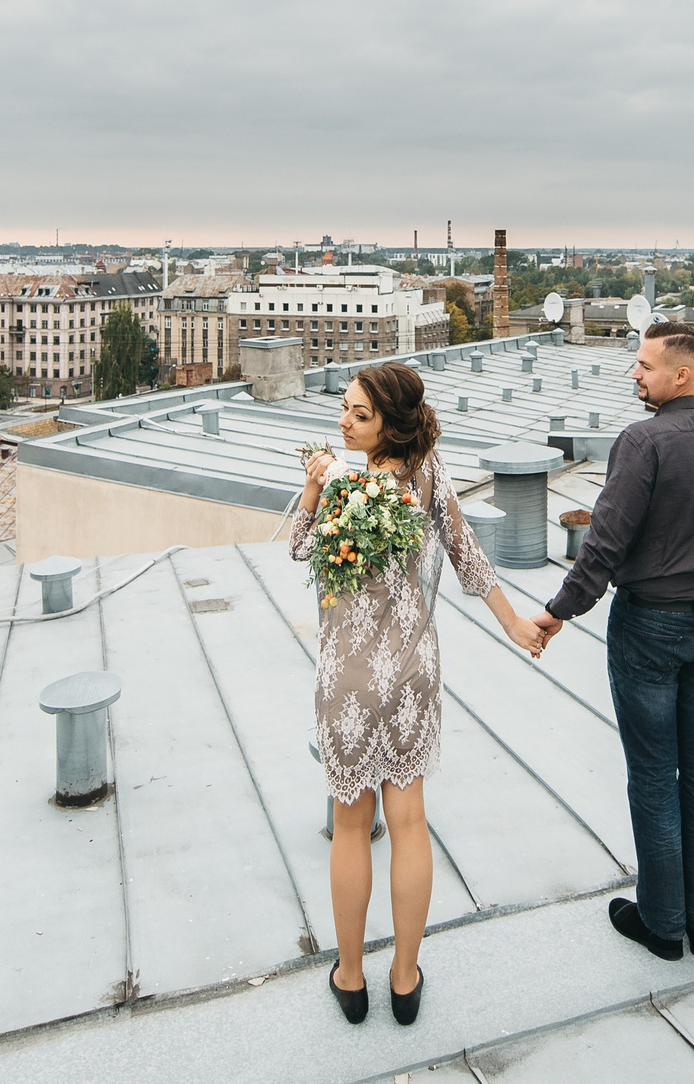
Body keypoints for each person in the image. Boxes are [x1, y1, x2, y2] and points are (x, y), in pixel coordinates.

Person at [290, 361, 548, 1028]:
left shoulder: (342, 481)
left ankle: (351, 977)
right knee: (408, 821)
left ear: (391, 424)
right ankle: (405, 980)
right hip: (411, 670)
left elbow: (299, 549)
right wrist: (514, 624)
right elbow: (467, 554)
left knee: (352, 823)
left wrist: (313, 488)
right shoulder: (427, 472)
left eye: (360, 414)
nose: (344, 422)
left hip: (347, 674)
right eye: (344, 409)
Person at [529, 319, 694, 963]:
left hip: (651, 627)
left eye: (644, 365)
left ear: (681, 375)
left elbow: (606, 541)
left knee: (655, 774)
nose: (634, 374)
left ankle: (664, 925)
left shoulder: (642, 442)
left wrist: (559, 611)